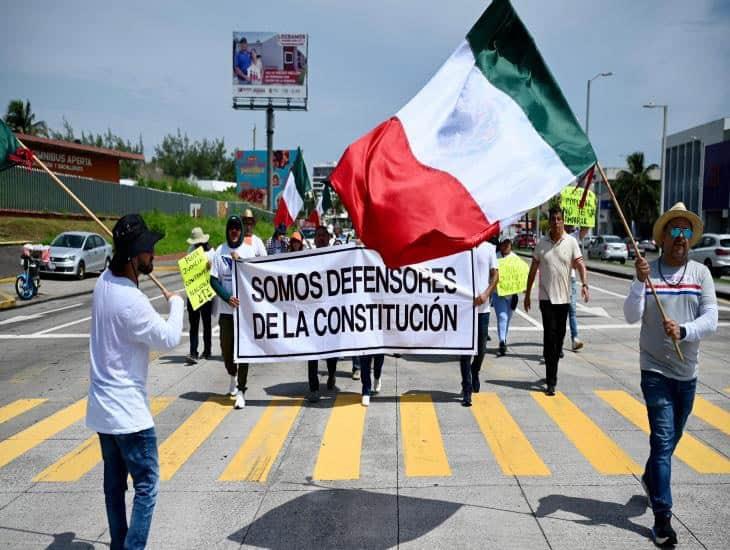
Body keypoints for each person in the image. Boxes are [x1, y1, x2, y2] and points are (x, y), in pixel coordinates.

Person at [86, 214, 183, 550]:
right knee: (147, 485)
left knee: (114, 485)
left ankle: (118, 544)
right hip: (128, 415)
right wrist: (177, 305)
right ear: (133, 256)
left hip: (102, 411)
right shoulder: (132, 303)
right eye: (147, 250)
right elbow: (170, 338)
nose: (152, 254)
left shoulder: (103, 283)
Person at [623, 202, 717, 547]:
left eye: (686, 231)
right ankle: (662, 518)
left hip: (687, 372)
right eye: (674, 231)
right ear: (663, 238)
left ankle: (650, 477)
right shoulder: (649, 274)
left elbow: (711, 317)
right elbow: (631, 316)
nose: (681, 237)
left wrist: (685, 331)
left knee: (671, 440)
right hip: (654, 370)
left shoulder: (700, 274)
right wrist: (637, 283)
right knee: (662, 441)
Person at [525, 206, 589, 396]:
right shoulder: (541, 244)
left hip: (564, 299)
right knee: (549, 337)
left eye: (559, 219)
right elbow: (533, 269)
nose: (556, 222)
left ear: (563, 221)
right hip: (546, 298)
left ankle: (551, 366)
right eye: (553, 219)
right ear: (550, 222)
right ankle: (551, 380)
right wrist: (527, 293)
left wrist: (585, 284)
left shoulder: (571, 242)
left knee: (559, 338)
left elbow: (580, 264)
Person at [210, 213, 266, 410]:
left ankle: (241, 390)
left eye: (237, 227)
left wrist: (240, 260)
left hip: (244, 312)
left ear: (241, 231)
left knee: (244, 352)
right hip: (226, 311)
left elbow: (257, 276)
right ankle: (232, 375)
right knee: (227, 351)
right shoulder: (220, 251)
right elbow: (213, 280)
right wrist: (227, 297)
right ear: (228, 230)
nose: (234, 231)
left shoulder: (249, 250)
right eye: (231, 227)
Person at [459, 240, 499, 407]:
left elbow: (495, 275)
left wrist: (486, 294)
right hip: (464, 309)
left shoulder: (489, 248)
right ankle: (466, 387)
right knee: (464, 351)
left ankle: (475, 371)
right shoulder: (461, 246)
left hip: (482, 308)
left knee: (481, 349)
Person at [307, 225, 338, 402]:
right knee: (312, 350)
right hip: (312, 311)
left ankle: (332, 374)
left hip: (331, 310)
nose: (320, 238)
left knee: (330, 350)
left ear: (328, 238)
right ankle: (313, 387)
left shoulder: (336, 256)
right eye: (317, 236)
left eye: (323, 235)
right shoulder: (307, 257)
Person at [185, 227, 215, 364]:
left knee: (207, 323)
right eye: (195, 243)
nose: (197, 245)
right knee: (194, 324)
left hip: (205, 292)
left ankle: (207, 350)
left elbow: (215, 272)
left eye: (198, 243)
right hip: (193, 292)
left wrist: (210, 266)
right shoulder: (190, 250)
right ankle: (193, 352)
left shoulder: (211, 253)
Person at [492, 238, 519, 356]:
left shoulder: (515, 259)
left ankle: (504, 338)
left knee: (507, 318)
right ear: (501, 245)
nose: (506, 246)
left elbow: (520, 276)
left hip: (511, 295)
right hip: (498, 294)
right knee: (502, 316)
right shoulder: (495, 257)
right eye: (504, 244)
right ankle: (502, 341)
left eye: (508, 244)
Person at [565, 225, 587, 352]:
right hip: (557, 281)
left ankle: (575, 338)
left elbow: (586, 228)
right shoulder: (553, 237)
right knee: (559, 313)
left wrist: (586, 211)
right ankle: (557, 341)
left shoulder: (573, 237)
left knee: (572, 311)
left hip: (571, 279)